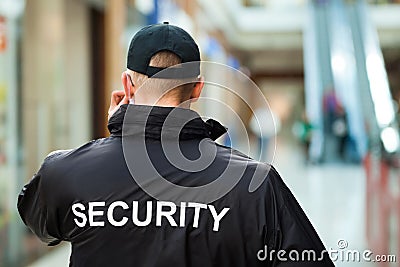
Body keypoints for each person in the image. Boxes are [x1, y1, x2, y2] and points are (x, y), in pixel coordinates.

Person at [17, 23, 334, 266]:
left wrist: (117, 137)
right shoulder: (255, 184)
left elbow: (40, 225)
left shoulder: (65, 171)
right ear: (197, 89)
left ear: (127, 83)